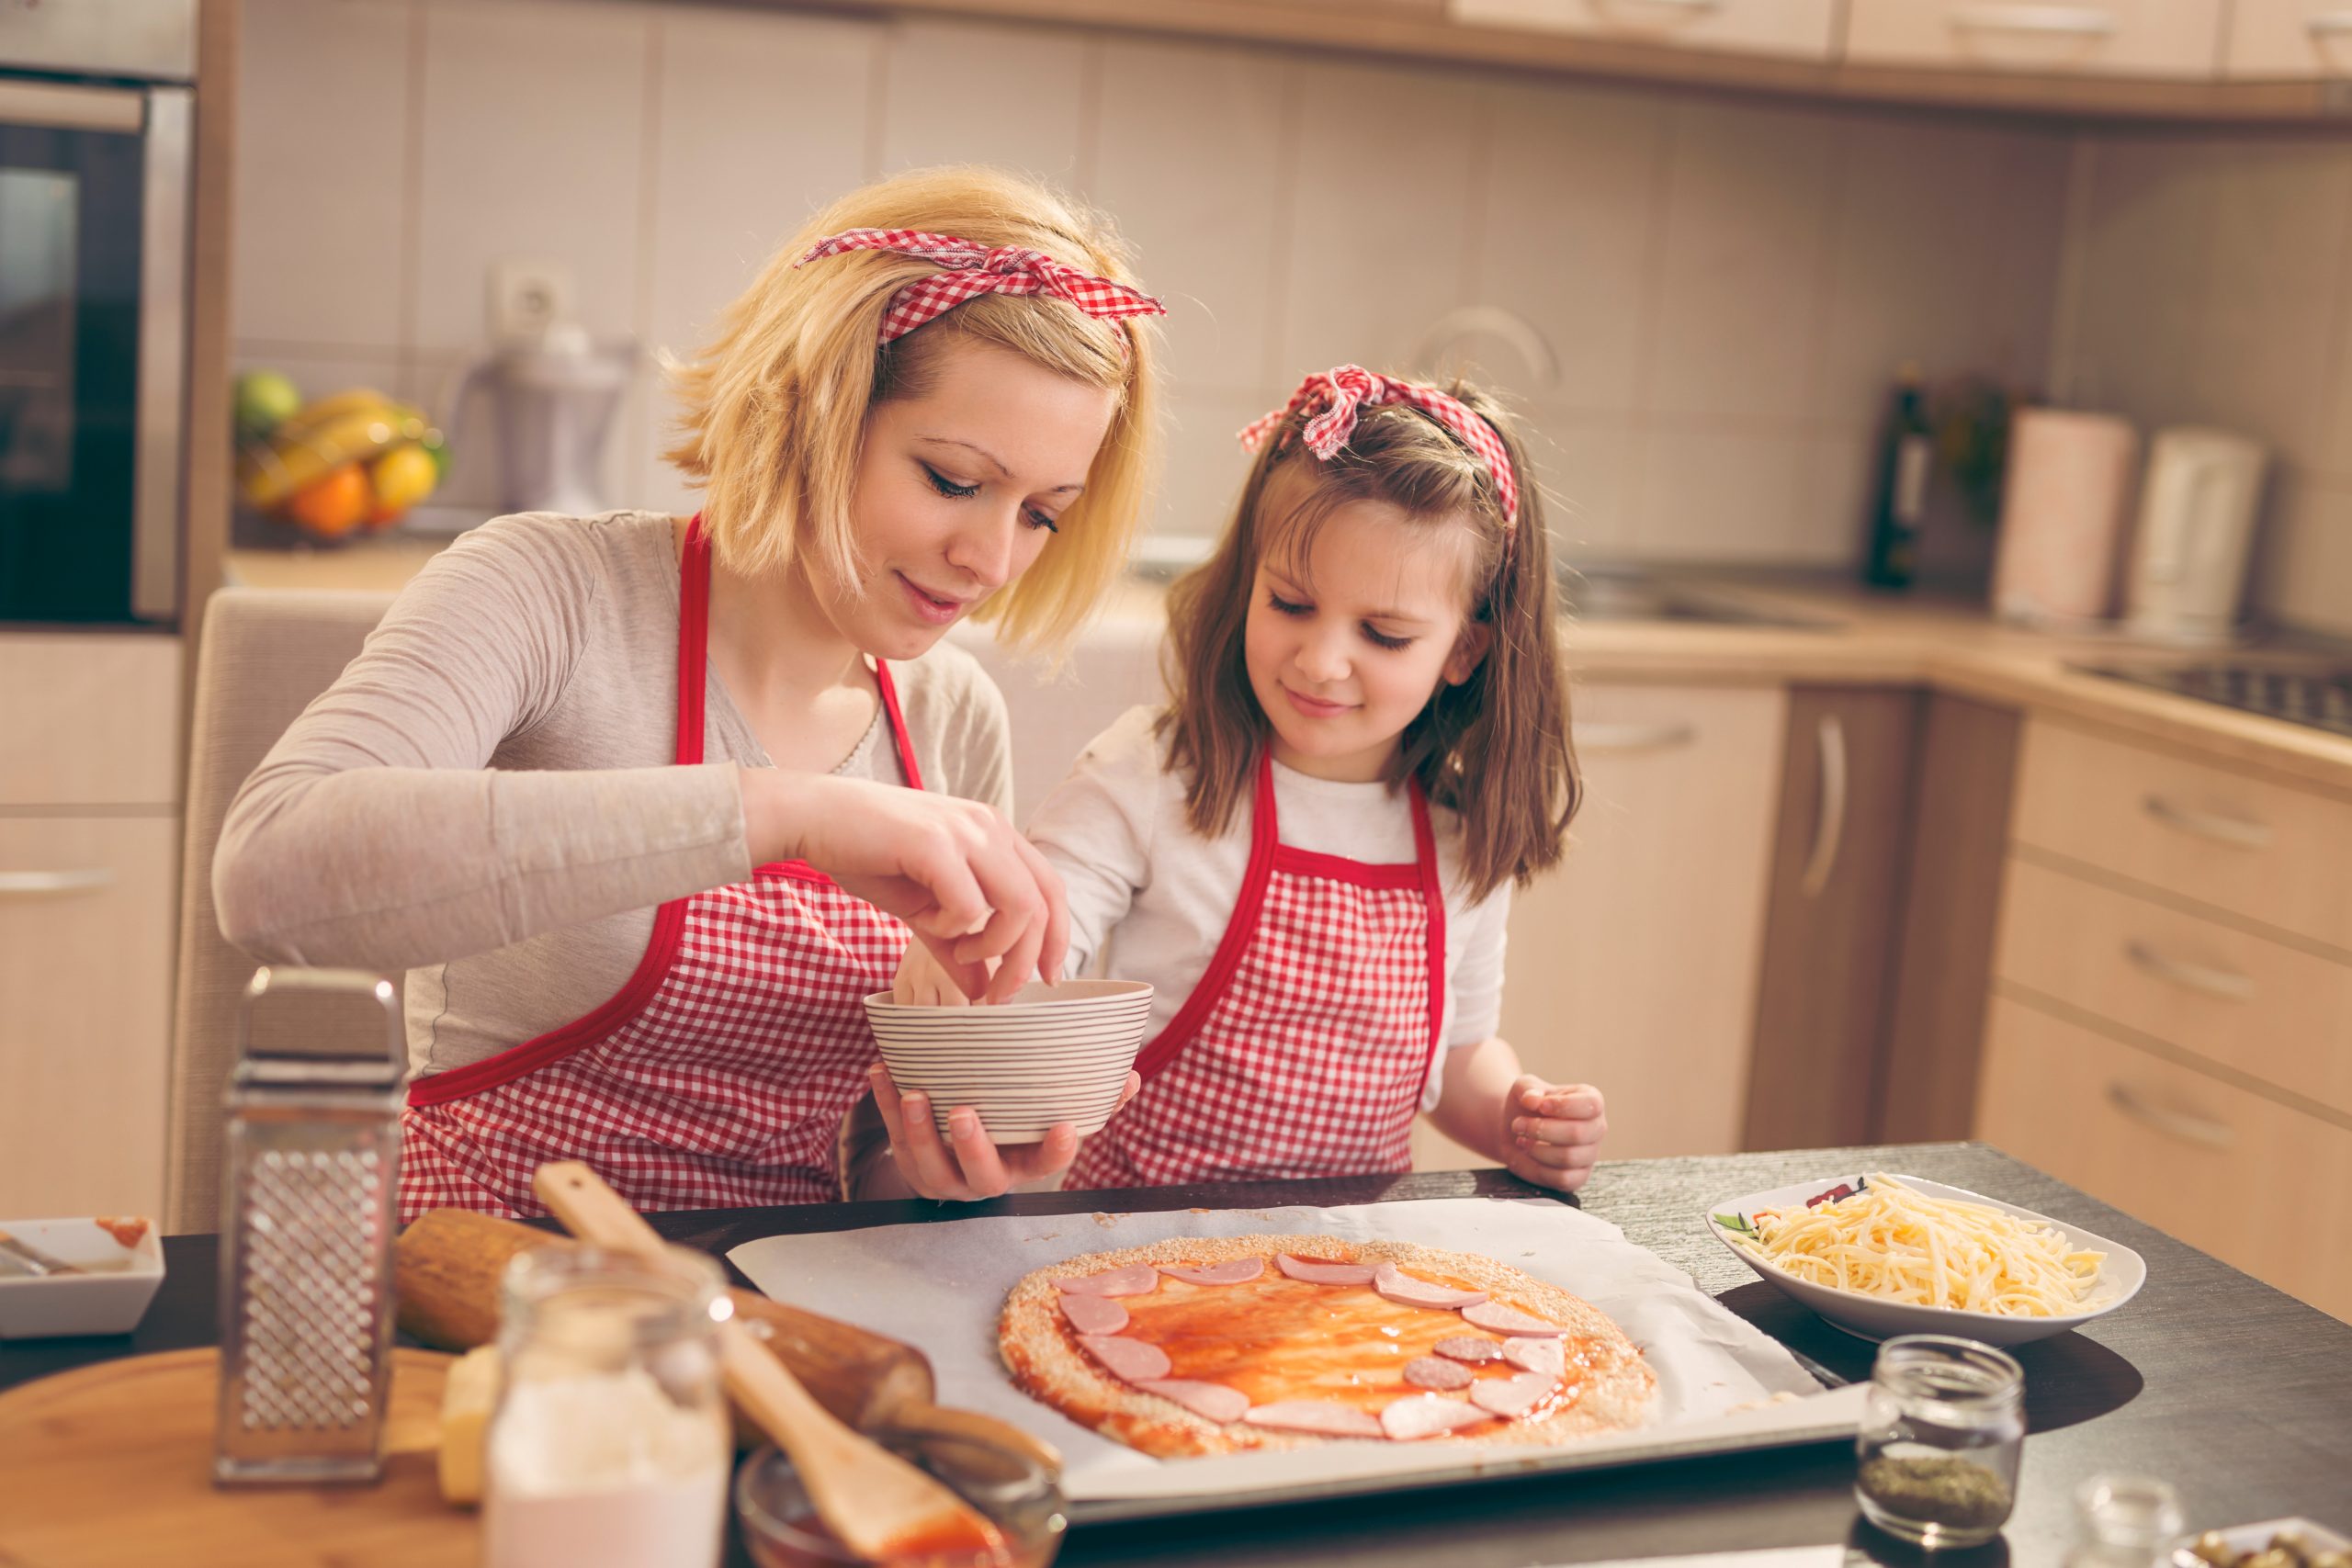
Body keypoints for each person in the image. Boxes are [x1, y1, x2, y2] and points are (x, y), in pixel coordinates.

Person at [212, 166, 1164, 1218]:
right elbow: (270, 871)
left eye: (1043, 513)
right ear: (810, 409)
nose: (990, 557)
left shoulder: (950, 716)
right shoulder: (548, 592)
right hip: (490, 1300)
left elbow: (858, 1153)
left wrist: (939, 1164)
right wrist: (786, 812)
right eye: (952, 480)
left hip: (784, 1312)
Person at [884, 365, 1609, 1194]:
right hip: (1135, 1248)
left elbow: (1462, 1057)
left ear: (1464, 652)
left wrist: (1522, 1118)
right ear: (1247, 583)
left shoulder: (1460, 837)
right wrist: (965, 943)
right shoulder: (1154, 776)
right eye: (1291, 604)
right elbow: (1034, 930)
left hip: (1348, 1281)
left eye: (1383, 633)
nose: (1322, 660)